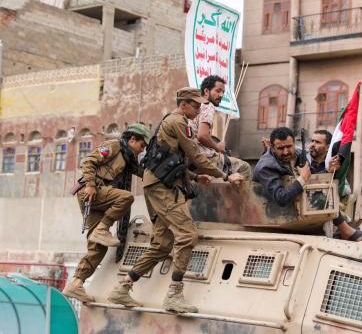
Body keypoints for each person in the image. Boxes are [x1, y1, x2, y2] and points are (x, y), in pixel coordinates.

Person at [108, 87, 244, 312]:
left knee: (161, 246)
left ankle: (122, 288)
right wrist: (226, 175)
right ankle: (174, 294)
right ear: (183, 104)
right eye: (195, 105)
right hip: (164, 189)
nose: (199, 108)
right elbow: (195, 155)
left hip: (164, 185)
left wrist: (195, 176)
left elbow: (170, 162)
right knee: (188, 234)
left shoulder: (172, 122)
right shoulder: (179, 122)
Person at [62, 123, 152, 303]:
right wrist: (90, 185)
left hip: (101, 197)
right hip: (92, 192)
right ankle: (103, 228)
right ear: (132, 139)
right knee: (126, 197)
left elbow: (143, 172)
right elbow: (89, 162)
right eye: (142, 145)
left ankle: (75, 283)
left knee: (98, 247)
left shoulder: (128, 158)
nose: (142, 150)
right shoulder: (114, 146)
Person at [254, 127, 362, 241]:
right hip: (272, 211)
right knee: (319, 197)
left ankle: (344, 229)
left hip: (298, 209)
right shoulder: (266, 166)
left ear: (294, 144)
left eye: (289, 146)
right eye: (280, 148)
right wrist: (303, 178)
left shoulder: (298, 154)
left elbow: (312, 178)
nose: (286, 152)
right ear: (273, 148)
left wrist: (328, 171)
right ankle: (345, 230)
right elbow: (281, 198)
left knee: (321, 194)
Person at [189, 75, 251, 179]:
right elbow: (202, 136)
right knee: (245, 168)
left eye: (223, 92)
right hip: (205, 158)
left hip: (191, 158)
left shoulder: (195, 106)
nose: (221, 95)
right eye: (218, 91)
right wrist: (217, 146)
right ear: (206, 91)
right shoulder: (208, 106)